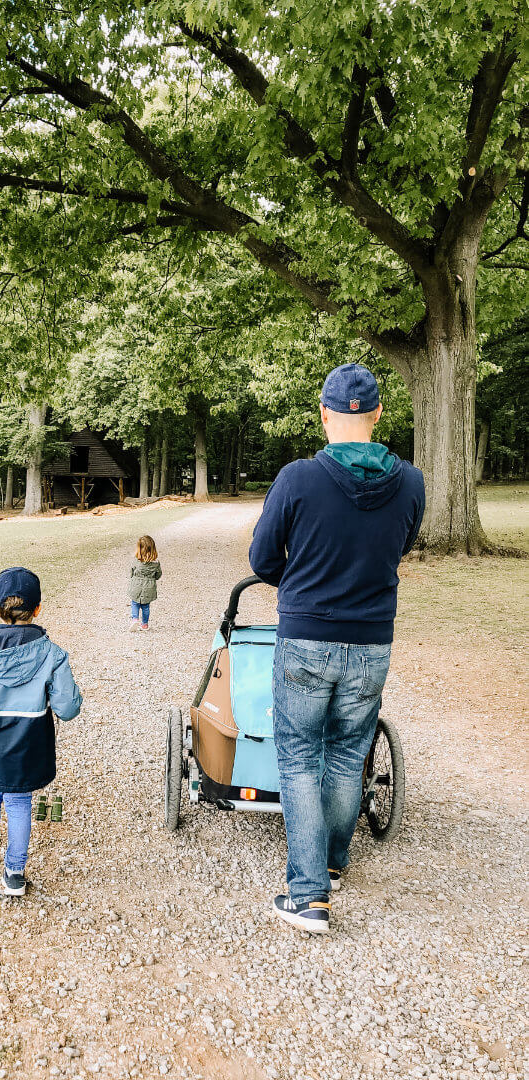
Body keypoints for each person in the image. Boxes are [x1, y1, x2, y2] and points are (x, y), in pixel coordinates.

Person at [249, 363, 425, 934]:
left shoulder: (298, 479)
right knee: (350, 753)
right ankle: (333, 860)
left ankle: (308, 895)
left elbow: (262, 561)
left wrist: (302, 575)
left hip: (306, 637)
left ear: (325, 413)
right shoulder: (412, 484)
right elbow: (400, 545)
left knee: (299, 757)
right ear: (376, 414)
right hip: (372, 641)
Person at [0, 566, 82, 896]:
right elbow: (68, 708)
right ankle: (14, 876)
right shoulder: (52, 654)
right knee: (19, 803)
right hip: (29, 744)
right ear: (38, 609)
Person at [128, 534, 162, 631]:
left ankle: (135, 619)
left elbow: (131, 571)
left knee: (135, 603)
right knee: (146, 606)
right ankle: (145, 624)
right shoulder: (156, 563)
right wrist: (153, 578)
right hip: (149, 587)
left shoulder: (136, 561)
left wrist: (132, 577)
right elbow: (158, 575)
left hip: (136, 586)